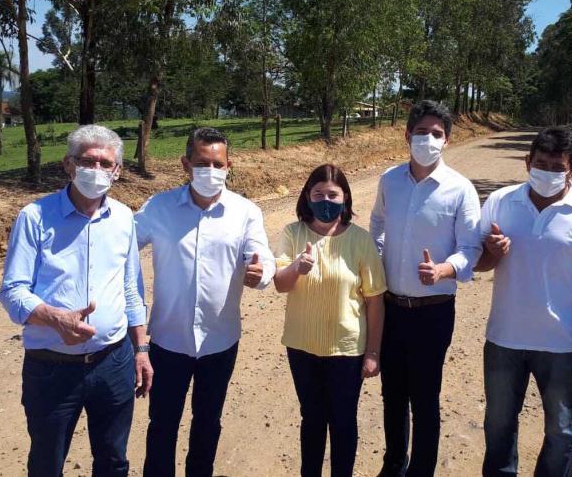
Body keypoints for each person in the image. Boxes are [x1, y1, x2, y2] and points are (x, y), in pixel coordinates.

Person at [0, 124, 152, 477]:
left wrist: (141, 350)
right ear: (69, 165)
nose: (96, 170)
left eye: (105, 163)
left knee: (113, 460)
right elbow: (13, 290)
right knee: (47, 463)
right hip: (51, 368)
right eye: (87, 161)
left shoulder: (124, 219)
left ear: (117, 171)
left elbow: (131, 288)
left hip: (113, 362)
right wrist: (55, 318)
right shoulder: (35, 217)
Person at [475, 127, 572, 477]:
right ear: (527, 163)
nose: (548, 172)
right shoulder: (500, 202)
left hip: (561, 345)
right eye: (541, 163)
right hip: (504, 340)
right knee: (498, 427)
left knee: (561, 431)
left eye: (557, 167)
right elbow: (477, 263)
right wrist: (491, 254)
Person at [134, 127, 275, 477]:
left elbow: (262, 255)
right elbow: (120, 246)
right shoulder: (159, 207)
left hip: (220, 339)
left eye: (217, 164)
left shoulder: (245, 212)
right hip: (168, 339)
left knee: (208, 420)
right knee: (162, 422)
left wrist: (262, 272)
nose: (210, 171)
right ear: (185, 164)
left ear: (229, 166)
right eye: (201, 163)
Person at [370, 100, 483, 477]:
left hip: (433, 312)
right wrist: (377, 255)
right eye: (422, 132)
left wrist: (444, 269)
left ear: (447, 140)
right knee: (392, 395)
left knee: (424, 399)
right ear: (407, 135)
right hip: (390, 308)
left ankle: (421, 470)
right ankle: (393, 463)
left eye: (436, 134)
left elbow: (470, 248)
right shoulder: (389, 180)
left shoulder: (460, 190)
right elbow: (378, 221)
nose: (428, 139)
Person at [274, 164, 387, 477]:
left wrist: (373, 352)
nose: (326, 199)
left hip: (346, 350)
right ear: (307, 197)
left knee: (342, 420)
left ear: (345, 199)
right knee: (311, 418)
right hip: (302, 347)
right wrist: (296, 266)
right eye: (318, 193)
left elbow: (375, 300)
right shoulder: (292, 233)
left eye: (333, 194)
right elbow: (280, 284)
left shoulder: (361, 241)